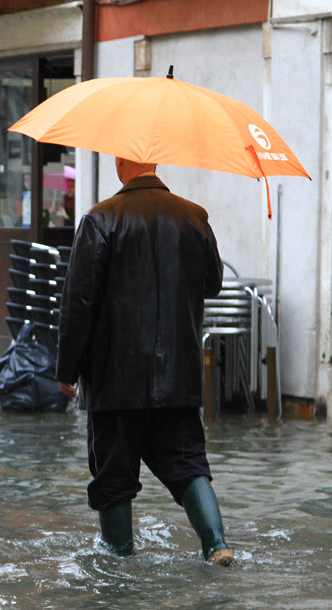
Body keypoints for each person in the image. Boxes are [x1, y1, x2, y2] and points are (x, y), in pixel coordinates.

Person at [56, 157, 234, 566]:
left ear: (121, 162)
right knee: (188, 463)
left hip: (113, 379)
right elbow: (213, 283)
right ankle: (216, 545)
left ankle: (118, 564)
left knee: (114, 477)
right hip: (179, 374)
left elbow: (78, 302)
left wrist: (67, 369)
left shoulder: (100, 220)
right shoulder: (194, 216)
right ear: (153, 160)